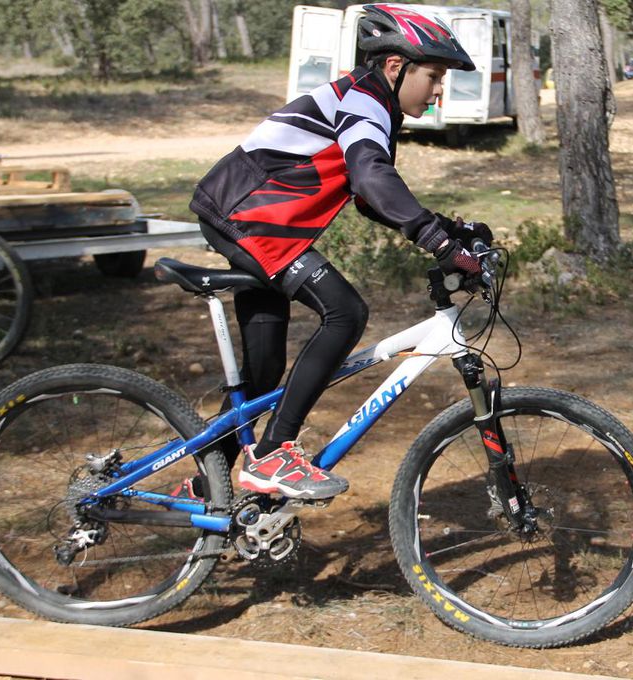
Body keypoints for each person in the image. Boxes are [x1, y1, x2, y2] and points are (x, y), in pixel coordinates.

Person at [188, 4, 492, 500]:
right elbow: (372, 177)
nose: (439, 90)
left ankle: (209, 483)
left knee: (264, 375)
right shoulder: (364, 100)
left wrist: (446, 230)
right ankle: (273, 456)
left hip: (251, 220)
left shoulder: (369, 103)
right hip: (248, 219)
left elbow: (367, 193)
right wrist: (438, 244)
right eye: (434, 76)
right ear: (395, 66)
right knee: (346, 312)